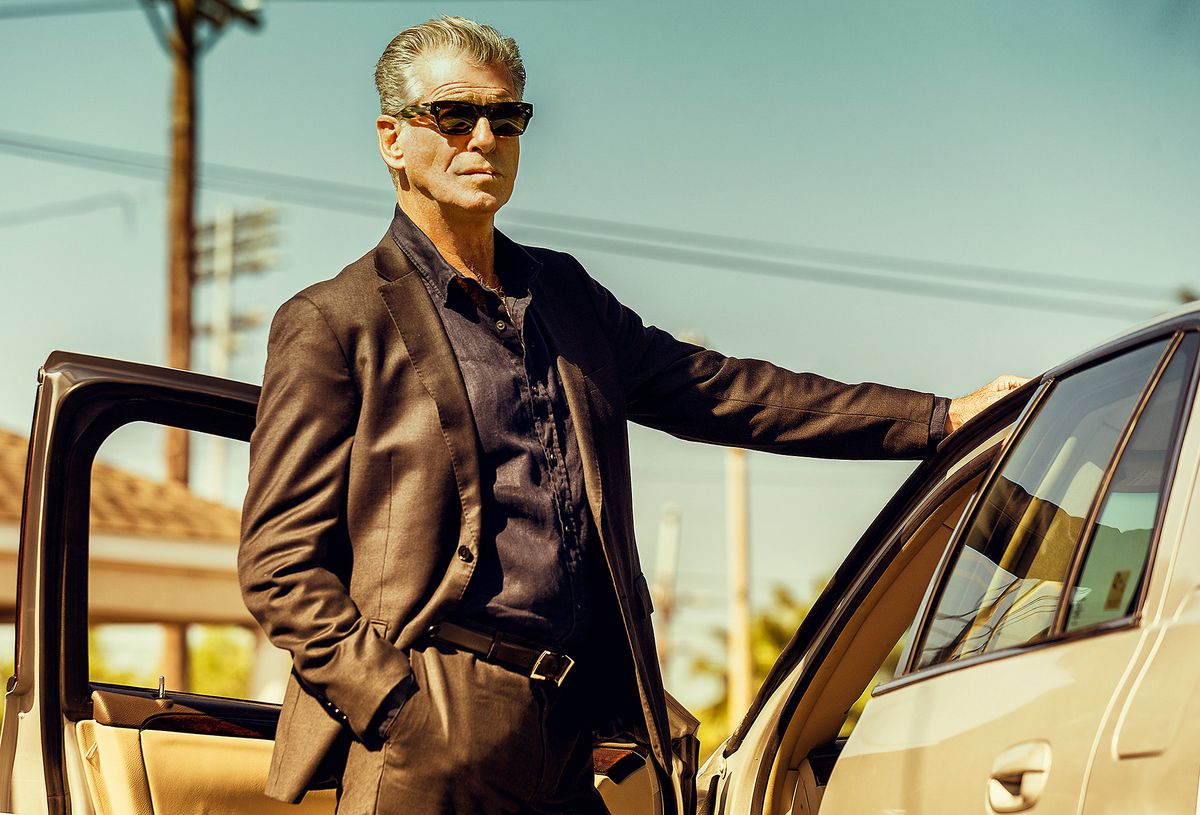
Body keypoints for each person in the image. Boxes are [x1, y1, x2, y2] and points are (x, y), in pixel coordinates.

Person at [238, 15, 1023, 815]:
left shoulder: (567, 298)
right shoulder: (335, 319)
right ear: (392, 139)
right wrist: (395, 706)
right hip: (432, 718)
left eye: (507, 118)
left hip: (574, 723)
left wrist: (939, 417)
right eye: (454, 115)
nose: (484, 136)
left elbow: (728, 390)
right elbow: (278, 563)